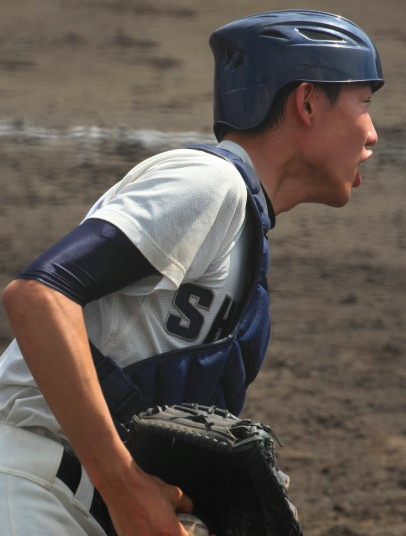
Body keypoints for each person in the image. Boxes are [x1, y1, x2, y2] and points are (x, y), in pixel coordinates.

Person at [0, 9, 383, 536]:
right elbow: (38, 295)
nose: (373, 135)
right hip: (30, 486)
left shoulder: (242, 230)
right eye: (365, 104)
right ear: (308, 101)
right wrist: (123, 484)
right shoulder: (209, 181)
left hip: (77, 501)